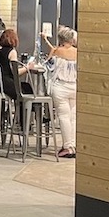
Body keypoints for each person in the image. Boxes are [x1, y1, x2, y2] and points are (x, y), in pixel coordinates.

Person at [47, 25, 79, 159]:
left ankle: (67, 146)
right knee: (73, 117)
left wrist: (51, 52)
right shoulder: (78, 52)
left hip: (60, 87)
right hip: (74, 87)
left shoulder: (57, 51)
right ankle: (73, 145)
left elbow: (48, 65)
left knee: (63, 117)